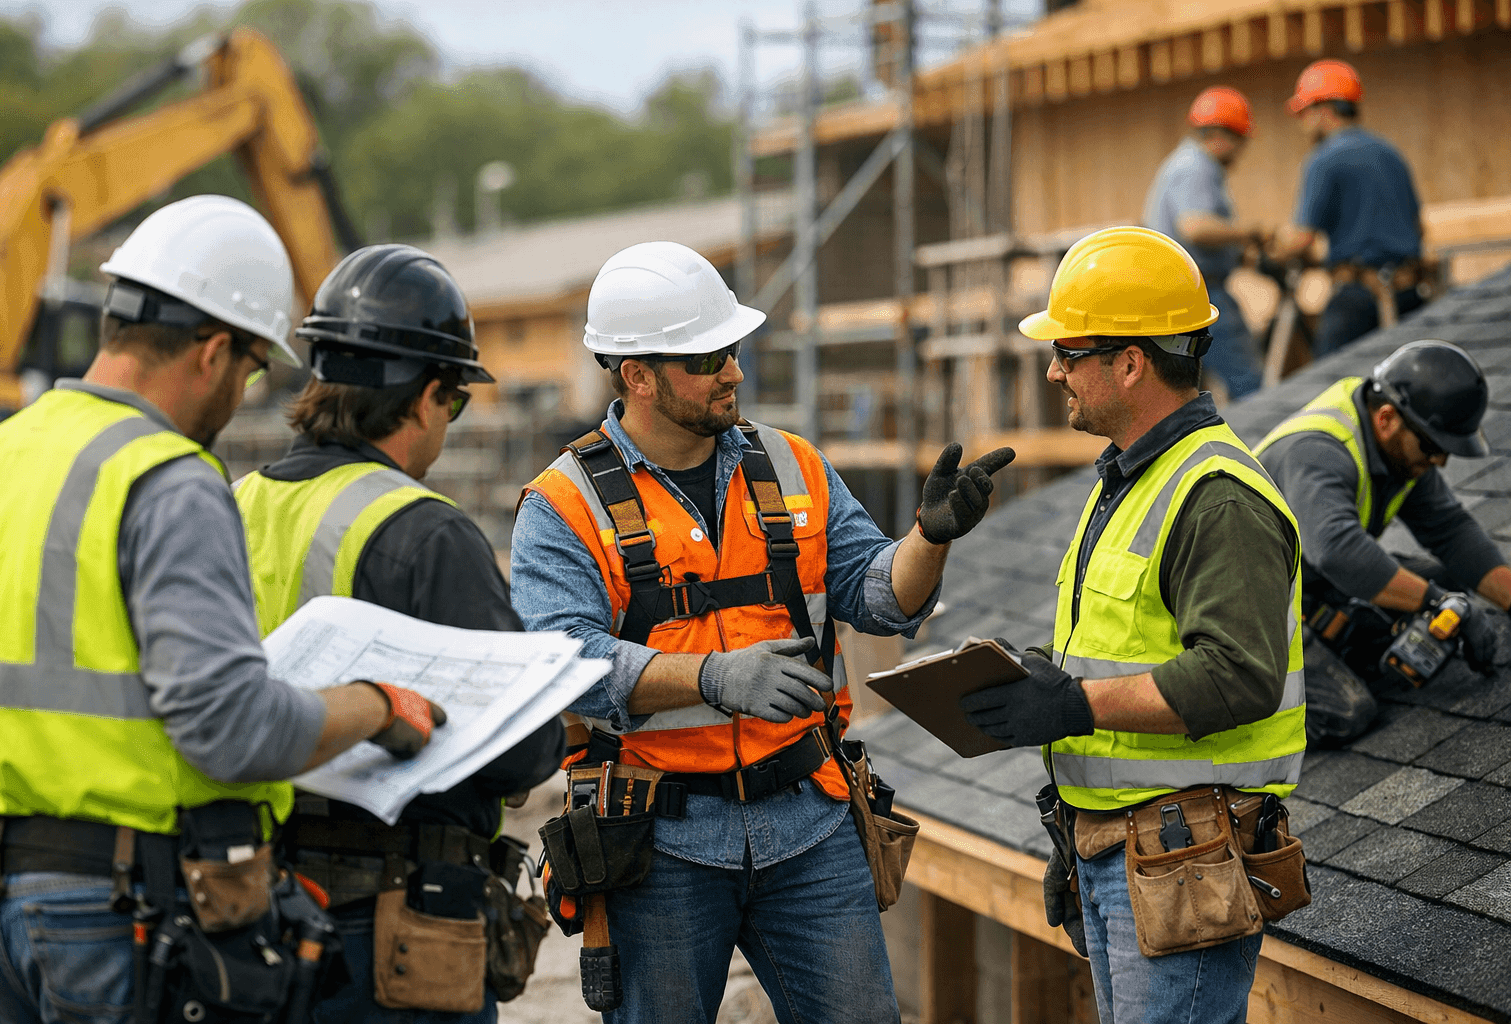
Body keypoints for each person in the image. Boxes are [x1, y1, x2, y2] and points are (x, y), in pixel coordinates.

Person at [510, 241, 1011, 1024]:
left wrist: (929, 536)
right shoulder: (561, 505)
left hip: (810, 821)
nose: (734, 372)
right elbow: (562, 662)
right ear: (638, 375)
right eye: (709, 358)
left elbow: (878, 597)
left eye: (734, 350)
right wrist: (712, 676)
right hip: (657, 840)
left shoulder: (790, 464)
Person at [0, 196, 441, 1024]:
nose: (245, 390)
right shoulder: (166, 478)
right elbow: (230, 728)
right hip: (109, 909)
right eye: (253, 367)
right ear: (215, 350)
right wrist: (374, 706)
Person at [960, 226, 1306, 1024]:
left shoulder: (1216, 494)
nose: (1053, 370)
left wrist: (1075, 706)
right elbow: (1118, 650)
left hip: (1184, 855)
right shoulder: (1129, 481)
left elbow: (1239, 675)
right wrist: (1029, 677)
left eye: (1068, 352)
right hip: (1122, 848)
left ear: (1130, 361)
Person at [233, 243, 566, 1023]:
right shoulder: (425, 533)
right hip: (394, 934)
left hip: (247, 912)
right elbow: (519, 750)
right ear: (427, 395)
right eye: (455, 401)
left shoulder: (230, 501)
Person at [1254, 340, 1511, 745]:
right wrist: (1436, 602)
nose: (1441, 461)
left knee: (1449, 580)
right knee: (1348, 710)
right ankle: (1241, 699)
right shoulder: (1319, 452)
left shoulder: (1397, 443)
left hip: (1309, 584)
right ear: (1388, 418)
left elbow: (1451, 531)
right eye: (1432, 446)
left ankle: (1336, 635)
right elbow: (1338, 551)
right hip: (1252, 612)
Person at [1268, 59, 1425, 355]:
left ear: (1324, 110)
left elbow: (1301, 239)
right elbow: (1418, 227)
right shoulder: (1391, 154)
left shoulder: (1324, 159)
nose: (1303, 124)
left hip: (1359, 300)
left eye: (1305, 113)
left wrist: (1272, 248)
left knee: (1329, 385)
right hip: (1408, 295)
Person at [1143, 85, 1267, 400]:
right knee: (1248, 383)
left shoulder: (1184, 164)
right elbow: (1195, 227)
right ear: (1222, 136)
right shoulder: (1196, 166)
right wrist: (1250, 233)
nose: (1241, 151)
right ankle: (1260, 448)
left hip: (1178, 294)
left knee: (1187, 391)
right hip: (1198, 294)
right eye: (1240, 141)